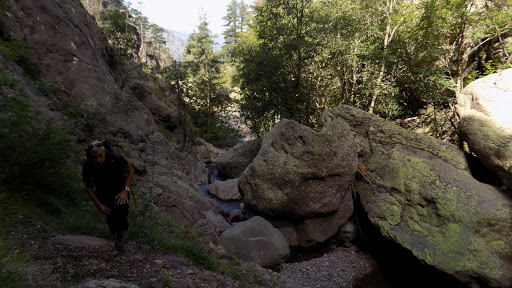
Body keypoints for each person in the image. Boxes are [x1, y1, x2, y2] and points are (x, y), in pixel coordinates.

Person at [82, 140, 134, 251]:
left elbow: (131, 171)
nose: (98, 160)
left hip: (120, 188)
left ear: (104, 152)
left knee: (122, 208)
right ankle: (115, 232)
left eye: (100, 156)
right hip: (103, 191)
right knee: (109, 214)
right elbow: (88, 187)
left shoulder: (115, 158)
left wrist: (125, 190)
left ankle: (120, 236)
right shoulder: (88, 165)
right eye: (95, 157)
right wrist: (99, 205)